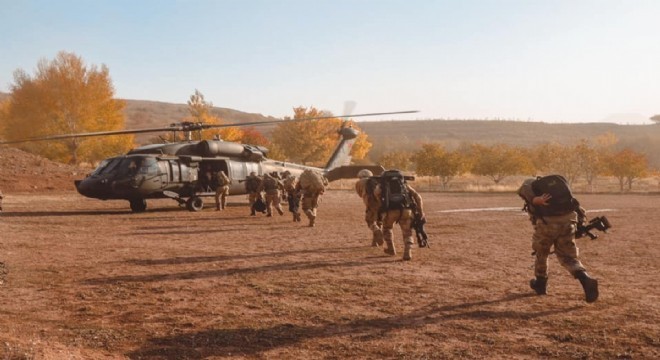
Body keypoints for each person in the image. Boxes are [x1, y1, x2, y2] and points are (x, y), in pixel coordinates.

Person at [518, 176, 599, 303]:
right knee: (569, 257)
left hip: (547, 224)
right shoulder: (560, 185)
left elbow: (523, 189)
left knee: (542, 253)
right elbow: (577, 207)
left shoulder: (530, 183)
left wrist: (534, 199)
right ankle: (585, 278)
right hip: (569, 221)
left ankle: (540, 283)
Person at [374, 170, 424, 261]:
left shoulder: (382, 186)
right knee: (407, 232)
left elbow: (377, 196)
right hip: (406, 210)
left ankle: (391, 248)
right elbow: (418, 197)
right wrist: (421, 212)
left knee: (387, 228)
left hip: (390, 212)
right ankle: (408, 251)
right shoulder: (404, 185)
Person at [355, 169, 383, 247]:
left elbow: (360, 194)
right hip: (381, 204)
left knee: (370, 221)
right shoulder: (376, 181)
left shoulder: (359, 182)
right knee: (379, 221)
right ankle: (375, 242)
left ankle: (377, 230)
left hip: (371, 204)